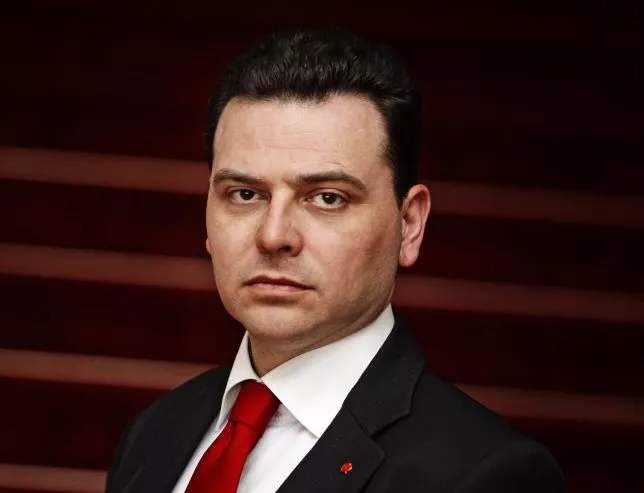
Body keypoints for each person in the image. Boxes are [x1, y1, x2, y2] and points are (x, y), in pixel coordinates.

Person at [105, 29, 564, 493]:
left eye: (327, 197)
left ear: (409, 224)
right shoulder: (154, 432)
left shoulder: (485, 475)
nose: (274, 235)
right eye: (245, 194)